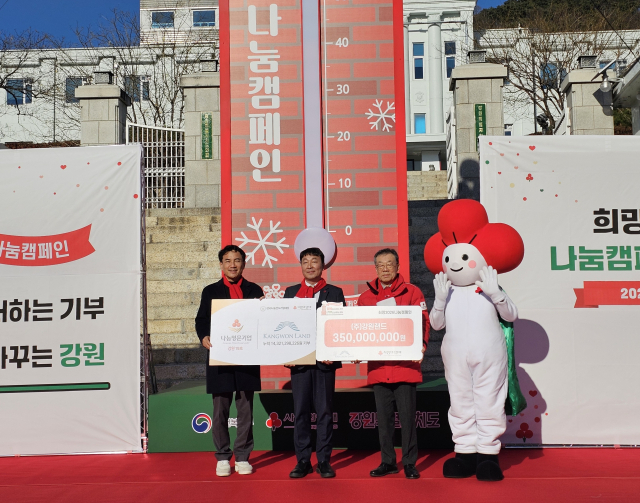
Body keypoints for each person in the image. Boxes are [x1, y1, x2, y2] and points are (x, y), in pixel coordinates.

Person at [357, 248, 429, 480]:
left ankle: (409, 462)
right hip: (379, 369)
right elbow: (358, 329)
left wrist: (422, 346)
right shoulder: (365, 298)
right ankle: (387, 462)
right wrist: (354, 350)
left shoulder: (413, 292)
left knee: (407, 420)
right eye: (380, 265)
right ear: (375, 268)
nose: (385, 269)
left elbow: (423, 323)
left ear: (398, 267)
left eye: (389, 264)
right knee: (384, 421)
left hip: (405, 367)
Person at [195, 244, 264, 477]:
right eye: (228, 260)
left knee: (245, 410)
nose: (232, 265)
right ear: (221, 264)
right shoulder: (210, 291)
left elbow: (261, 322)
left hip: (247, 358)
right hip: (221, 357)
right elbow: (201, 320)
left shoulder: (255, 290)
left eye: (237, 260)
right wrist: (204, 336)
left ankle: (243, 457)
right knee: (220, 410)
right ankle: (223, 457)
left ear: (243, 264)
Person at [283, 247, 346, 479]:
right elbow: (284, 326)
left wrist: (334, 352)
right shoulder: (291, 293)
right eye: (305, 261)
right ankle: (303, 460)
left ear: (323, 265)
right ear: (300, 265)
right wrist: (286, 354)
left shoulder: (335, 293)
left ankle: (324, 460)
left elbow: (339, 328)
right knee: (300, 412)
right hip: (299, 364)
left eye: (314, 261)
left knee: (325, 412)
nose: (310, 266)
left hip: (324, 363)